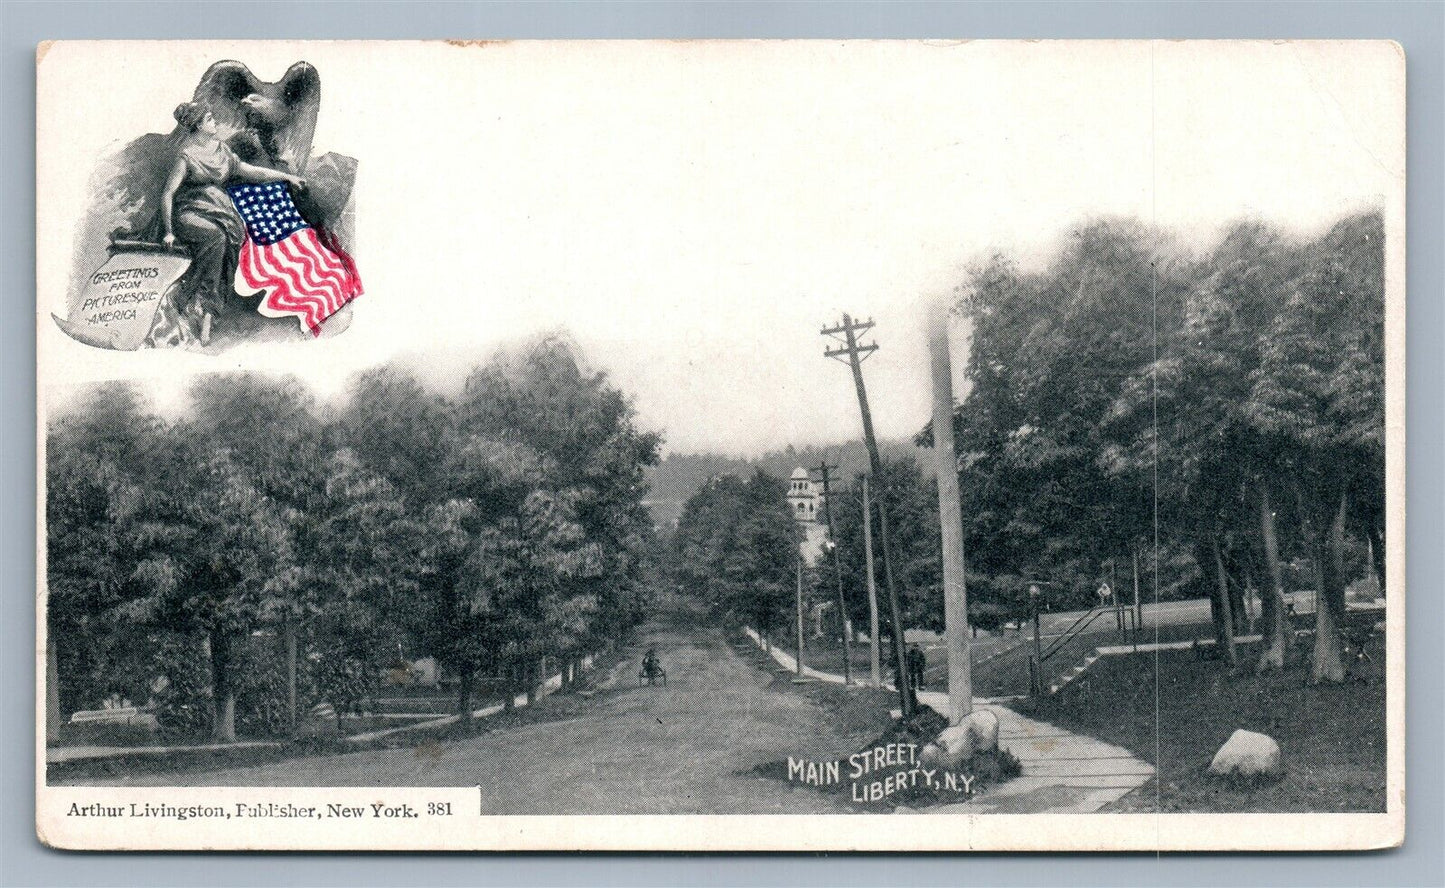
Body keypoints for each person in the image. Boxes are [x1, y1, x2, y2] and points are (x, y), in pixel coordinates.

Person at [145, 101, 307, 347]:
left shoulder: (221, 150)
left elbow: (252, 171)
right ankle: (196, 303)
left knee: (227, 236)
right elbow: (168, 194)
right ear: (198, 125)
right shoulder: (186, 155)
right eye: (210, 119)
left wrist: (287, 176)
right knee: (216, 237)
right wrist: (168, 231)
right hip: (189, 212)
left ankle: (205, 309)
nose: (215, 122)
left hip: (220, 211)